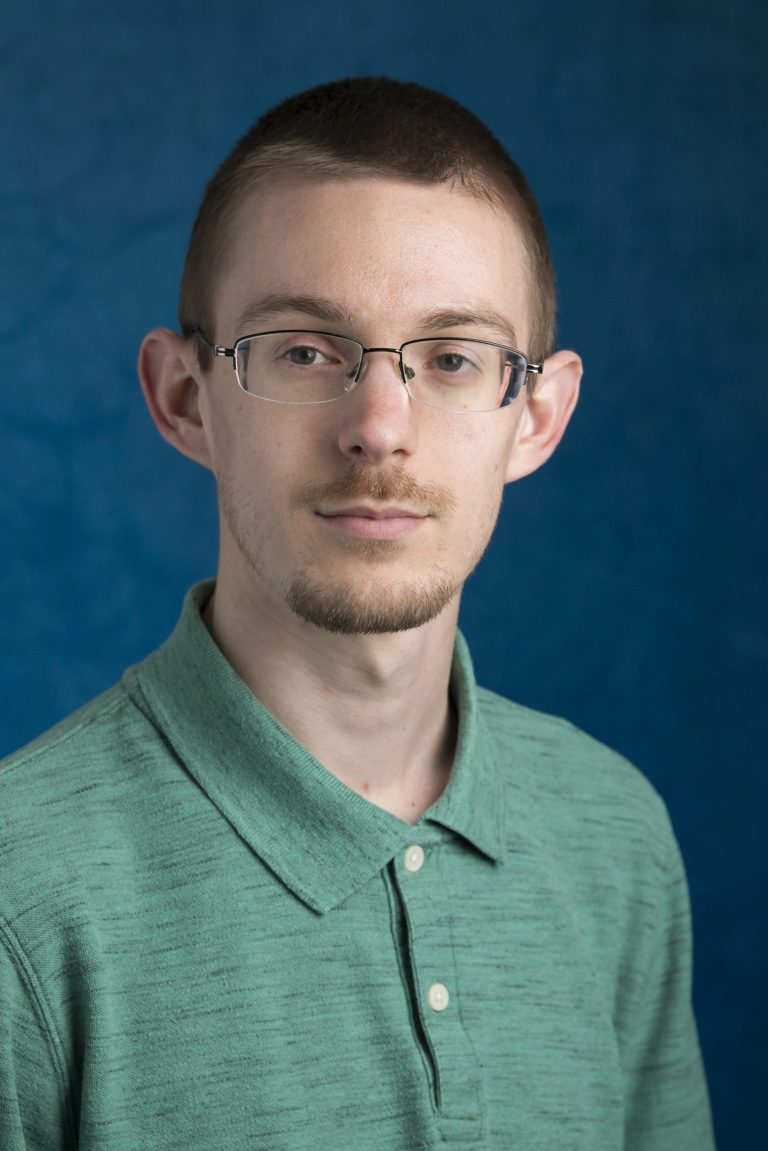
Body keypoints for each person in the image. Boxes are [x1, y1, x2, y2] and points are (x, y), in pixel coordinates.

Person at [0, 77, 714, 1149]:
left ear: (537, 416)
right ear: (186, 398)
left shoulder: (615, 833)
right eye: (304, 350)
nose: (380, 426)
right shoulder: (20, 887)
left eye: (453, 358)